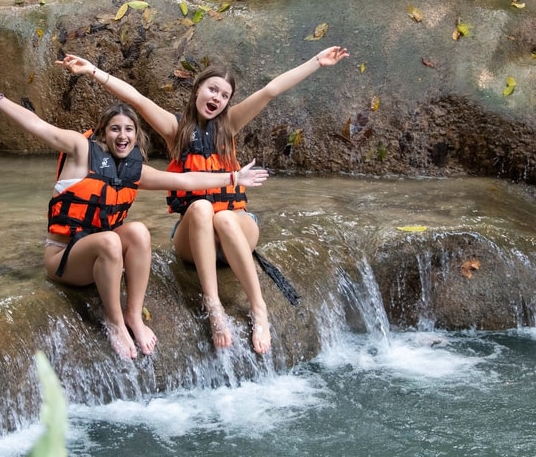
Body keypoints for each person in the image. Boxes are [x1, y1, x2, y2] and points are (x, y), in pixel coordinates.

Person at [0, 67, 269, 360]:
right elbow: (38, 126)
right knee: (109, 240)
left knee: (138, 232)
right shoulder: (80, 151)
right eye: (115, 129)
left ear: (136, 137)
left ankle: (134, 315)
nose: (123, 135)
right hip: (65, 257)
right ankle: (115, 322)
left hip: (102, 252)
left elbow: (185, 180)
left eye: (129, 130)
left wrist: (234, 178)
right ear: (103, 134)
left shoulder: (133, 170)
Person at [58, 46, 349, 354]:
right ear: (197, 89)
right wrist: (92, 71)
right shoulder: (175, 130)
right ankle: (214, 308)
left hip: (237, 228)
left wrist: (317, 61)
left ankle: (259, 308)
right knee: (200, 207)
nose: (216, 98)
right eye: (212, 89)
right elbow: (137, 100)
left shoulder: (230, 125)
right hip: (194, 237)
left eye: (224, 95)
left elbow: (271, 90)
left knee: (223, 217)